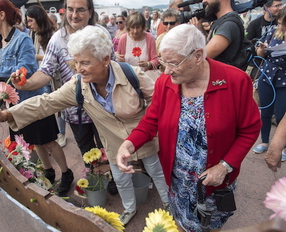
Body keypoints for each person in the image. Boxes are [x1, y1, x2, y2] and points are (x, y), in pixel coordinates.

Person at [0, 25, 170, 226]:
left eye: (85, 62)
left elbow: (160, 102)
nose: (79, 69)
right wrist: (6, 114)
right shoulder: (78, 85)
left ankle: (167, 204)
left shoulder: (132, 75)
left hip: (143, 137)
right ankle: (130, 208)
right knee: (120, 179)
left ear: (105, 59)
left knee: (156, 171)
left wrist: (147, 126)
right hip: (113, 143)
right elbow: (46, 102)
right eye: (76, 62)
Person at [116, 24, 261, 232]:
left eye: (173, 63)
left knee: (209, 225)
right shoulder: (165, 82)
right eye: (164, 62)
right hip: (178, 181)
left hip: (213, 183)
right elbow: (151, 121)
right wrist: (129, 144)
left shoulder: (235, 81)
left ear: (198, 55)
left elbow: (250, 129)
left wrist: (225, 166)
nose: (166, 70)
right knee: (182, 223)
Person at [0, 0, 73, 196]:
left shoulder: (22, 39)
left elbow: (27, 69)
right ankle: (49, 171)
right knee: (33, 141)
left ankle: (66, 173)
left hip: (32, 99)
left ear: (1, 15)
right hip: (13, 104)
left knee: (49, 140)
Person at [9, 0, 110, 159]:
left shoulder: (101, 33)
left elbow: (113, 65)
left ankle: (114, 183)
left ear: (90, 12)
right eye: (70, 9)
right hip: (76, 112)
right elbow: (45, 71)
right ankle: (95, 181)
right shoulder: (58, 39)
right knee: (89, 156)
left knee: (110, 152)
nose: (74, 15)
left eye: (80, 10)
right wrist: (25, 83)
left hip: (104, 107)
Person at [25, 4, 67, 148]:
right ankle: (51, 136)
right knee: (46, 106)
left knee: (60, 105)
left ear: (38, 19)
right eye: (27, 21)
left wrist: (35, 56)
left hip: (54, 77)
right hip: (40, 77)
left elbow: (53, 60)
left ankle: (61, 133)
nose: (28, 24)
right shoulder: (31, 34)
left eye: (31, 20)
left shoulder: (53, 34)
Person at [253, 6, 286, 156]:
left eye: (283, 24)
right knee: (265, 112)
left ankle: (282, 146)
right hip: (267, 76)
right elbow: (260, 54)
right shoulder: (273, 32)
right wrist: (262, 48)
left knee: (281, 115)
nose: (281, 27)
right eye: (280, 23)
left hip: (284, 80)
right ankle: (264, 141)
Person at [189, 0, 244, 66]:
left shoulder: (228, 25)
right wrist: (199, 30)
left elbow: (203, 56)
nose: (204, 1)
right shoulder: (221, 22)